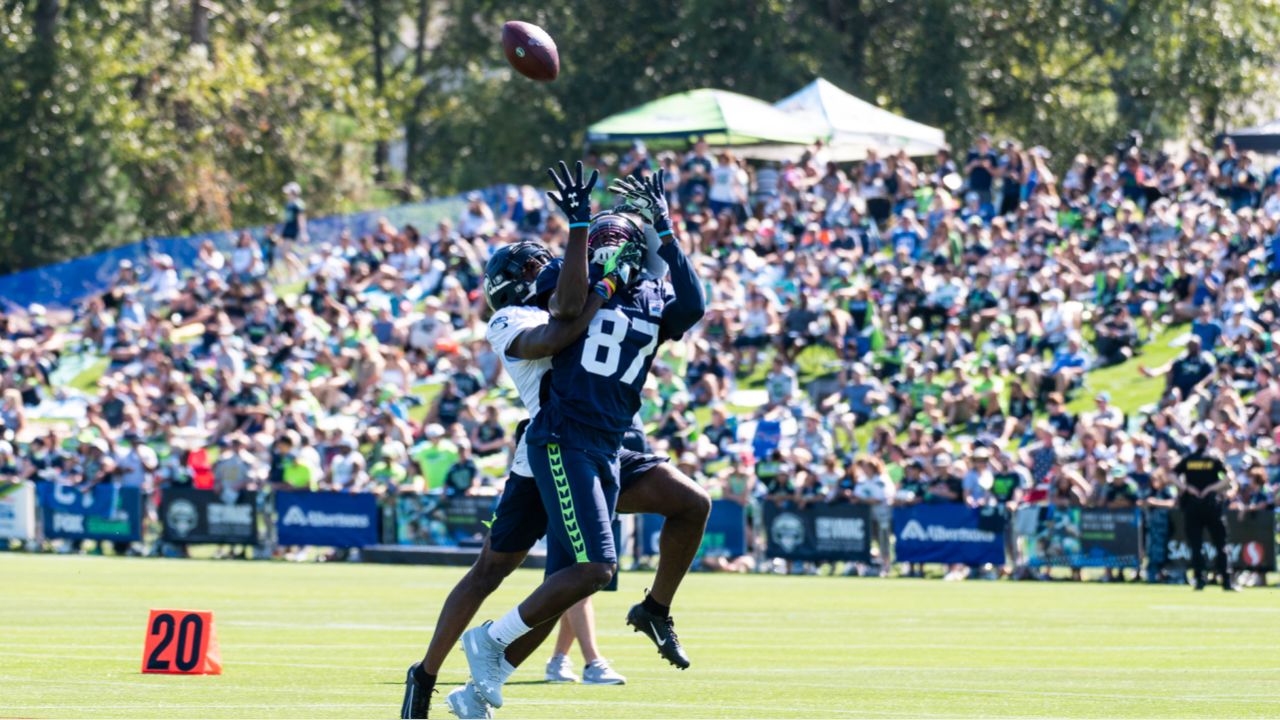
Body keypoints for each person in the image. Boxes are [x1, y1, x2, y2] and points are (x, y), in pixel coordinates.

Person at [402, 164, 708, 719]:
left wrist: (656, 232)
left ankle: (479, 689)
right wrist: (592, 255)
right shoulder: (522, 313)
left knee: (577, 577)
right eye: (534, 266)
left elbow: (680, 300)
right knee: (503, 571)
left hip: (614, 440)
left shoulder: (620, 288)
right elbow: (564, 322)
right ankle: (429, 674)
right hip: (552, 445)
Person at [1172, 432, 1237, 592]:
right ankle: (1226, 581)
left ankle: (1199, 580)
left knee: (1196, 545)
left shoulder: (1188, 460)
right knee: (1221, 544)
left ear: (1195, 442)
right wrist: (1211, 488)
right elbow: (1229, 477)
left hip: (1193, 505)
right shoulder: (1213, 459)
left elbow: (1171, 475)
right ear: (1208, 442)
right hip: (1211, 505)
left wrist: (1187, 488)